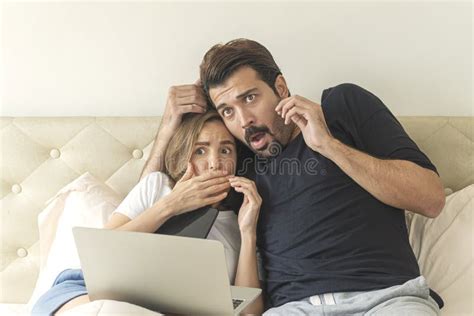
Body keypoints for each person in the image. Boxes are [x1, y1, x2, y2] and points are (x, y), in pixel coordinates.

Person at [142, 38, 446, 315]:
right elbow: (148, 197)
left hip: (386, 300)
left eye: (249, 98)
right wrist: (169, 125)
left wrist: (328, 146)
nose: (244, 120)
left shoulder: (341, 107)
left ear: (281, 88)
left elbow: (431, 199)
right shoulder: (236, 159)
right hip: (294, 309)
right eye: (227, 111)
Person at [32, 110, 264, 315]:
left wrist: (248, 232)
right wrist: (172, 204)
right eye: (200, 151)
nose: (215, 163)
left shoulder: (238, 221)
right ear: (184, 154)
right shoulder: (158, 186)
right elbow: (103, 252)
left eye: (225, 150)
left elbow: (250, 313)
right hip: (94, 292)